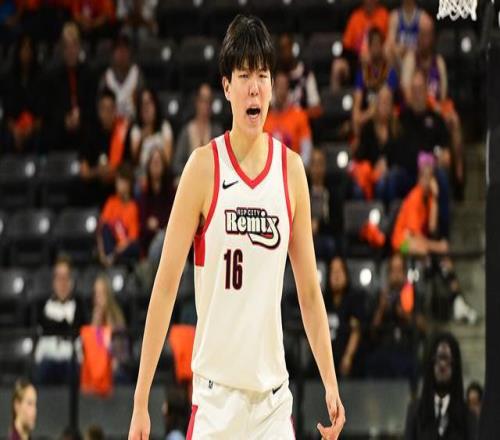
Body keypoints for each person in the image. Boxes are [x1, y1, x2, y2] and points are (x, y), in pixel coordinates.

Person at [128, 14, 345, 440]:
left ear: (272, 86)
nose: (254, 87)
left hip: (272, 403)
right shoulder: (202, 168)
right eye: (244, 75)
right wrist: (140, 400)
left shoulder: (291, 172)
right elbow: (165, 287)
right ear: (226, 86)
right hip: (215, 401)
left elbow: (309, 292)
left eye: (262, 75)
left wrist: (331, 382)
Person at [392, 153, 477, 324]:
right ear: (419, 178)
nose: (428, 181)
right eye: (425, 177)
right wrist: (438, 246)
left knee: (442, 259)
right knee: (428, 250)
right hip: (401, 244)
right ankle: (449, 300)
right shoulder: (414, 198)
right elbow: (415, 237)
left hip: (416, 241)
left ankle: (457, 300)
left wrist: (436, 198)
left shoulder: (429, 197)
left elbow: (432, 228)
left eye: (431, 177)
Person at [401, 19, 464, 191]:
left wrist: (437, 108)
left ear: (433, 37)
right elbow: (407, 93)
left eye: (428, 35)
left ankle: (458, 170)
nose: (425, 39)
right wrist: (426, 102)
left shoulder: (439, 62)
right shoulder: (411, 59)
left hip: (435, 110)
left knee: (454, 120)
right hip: (416, 109)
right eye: (422, 35)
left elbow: (443, 96)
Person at [404, 332, 478, 440]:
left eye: (447, 359)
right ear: (431, 363)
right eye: (439, 358)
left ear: (455, 365)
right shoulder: (415, 412)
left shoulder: (468, 417)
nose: (442, 365)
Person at [366, 253, 425, 384]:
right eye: (393, 270)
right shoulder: (380, 296)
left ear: (405, 272)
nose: (396, 275)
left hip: (406, 350)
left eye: (399, 270)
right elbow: (372, 331)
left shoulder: (413, 294)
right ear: (388, 274)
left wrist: (405, 314)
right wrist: (381, 308)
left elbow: (423, 327)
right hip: (384, 350)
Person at [45, 22, 96, 153]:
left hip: (84, 128)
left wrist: (80, 116)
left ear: (79, 47)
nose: (71, 51)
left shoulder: (89, 74)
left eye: (74, 45)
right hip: (60, 130)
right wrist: (65, 119)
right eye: (67, 46)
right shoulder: (53, 76)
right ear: (62, 49)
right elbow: (50, 107)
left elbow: (92, 105)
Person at [34, 255, 85, 384]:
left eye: (65, 277)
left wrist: (53, 325)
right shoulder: (44, 305)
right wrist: (63, 324)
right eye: (59, 278)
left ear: (71, 281)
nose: (62, 283)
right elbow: (43, 324)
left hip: (70, 362)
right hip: (47, 361)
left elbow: (75, 328)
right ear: (53, 281)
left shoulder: (79, 305)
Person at [79, 88, 128, 205]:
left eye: (110, 109)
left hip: (117, 191)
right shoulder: (90, 134)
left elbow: (129, 168)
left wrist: (112, 172)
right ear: (99, 111)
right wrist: (99, 171)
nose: (107, 114)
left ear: (115, 110)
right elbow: (84, 172)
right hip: (94, 192)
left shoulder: (122, 133)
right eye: (104, 109)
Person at [331, 0, 389, 92]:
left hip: (378, 59)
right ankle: (335, 98)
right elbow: (346, 47)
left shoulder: (383, 15)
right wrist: (359, 57)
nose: (369, 2)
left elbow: (388, 43)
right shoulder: (355, 17)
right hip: (356, 59)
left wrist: (373, 54)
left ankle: (376, 93)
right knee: (337, 65)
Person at [352, 27, 399, 136]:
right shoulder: (363, 73)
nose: (376, 47)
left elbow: (387, 102)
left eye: (378, 44)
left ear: (382, 46)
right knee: (355, 117)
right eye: (373, 44)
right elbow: (357, 101)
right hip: (367, 117)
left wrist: (369, 113)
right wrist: (357, 116)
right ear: (369, 47)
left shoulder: (390, 72)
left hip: (386, 116)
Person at [324, 256, 364, 378]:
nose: (336, 276)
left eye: (340, 271)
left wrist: (348, 357)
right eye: (333, 271)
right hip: (326, 360)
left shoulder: (353, 300)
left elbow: (356, 331)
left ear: (346, 274)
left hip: (347, 359)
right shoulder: (323, 301)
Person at [172, 83, 223, 179]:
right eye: (203, 100)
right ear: (196, 102)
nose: (206, 105)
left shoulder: (217, 130)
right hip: (190, 178)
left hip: (211, 178)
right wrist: (193, 171)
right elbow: (177, 164)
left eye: (209, 101)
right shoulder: (187, 130)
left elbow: (222, 161)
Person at [264, 70, 313, 167]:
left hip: (293, 170)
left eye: (283, 87)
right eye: (278, 87)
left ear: (288, 90)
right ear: (272, 90)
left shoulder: (299, 116)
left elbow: (306, 152)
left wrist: (295, 170)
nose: (280, 91)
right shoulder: (264, 120)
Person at [3, 34, 42, 155]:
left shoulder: (42, 78)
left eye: (29, 49)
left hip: (35, 127)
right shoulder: (8, 79)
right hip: (14, 128)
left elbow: (44, 111)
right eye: (23, 49)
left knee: (41, 138)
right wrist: (15, 130)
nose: (26, 53)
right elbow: (6, 112)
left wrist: (31, 128)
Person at [97, 163, 140, 267]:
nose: (117, 184)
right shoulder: (111, 202)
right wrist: (102, 254)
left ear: (128, 183)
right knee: (106, 228)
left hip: (123, 251)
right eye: (117, 181)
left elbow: (132, 238)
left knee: (135, 246)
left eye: (121, 181)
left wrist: (116, 253)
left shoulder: (133, 207)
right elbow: (100, 230)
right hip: (110, 247)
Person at [138, 147, 175, 263]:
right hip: (150, 244)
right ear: (148, 166)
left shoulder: (171, 192)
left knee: (164, 237)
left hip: (169, 241)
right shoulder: (144, 195)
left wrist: (157, 223)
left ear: (164, 165)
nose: (156, 165)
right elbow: (143, 226)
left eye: (158, 162)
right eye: (153, 162)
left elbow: (173, 220)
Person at [128, 87, 174, 176]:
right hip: (141, 178)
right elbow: (134, 163)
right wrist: (142, 139)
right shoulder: (136, 130)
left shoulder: (165, 127)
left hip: (161, 177)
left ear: (155, 104)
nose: (146, 108)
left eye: (149, 103)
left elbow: (167, 161)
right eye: (142, 104)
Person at [99, 33, 145, 120]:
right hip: (111, 124)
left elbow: (143, 103)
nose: (122, 54)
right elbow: (100, 106)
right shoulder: (106, 77)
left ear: (130, 53)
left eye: (125, 50)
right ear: (113, 54)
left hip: (133, 122)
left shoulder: (137, 74)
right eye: (118, 50)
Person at [276, 33, 321, 118]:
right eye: (281, 49)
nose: (284, 53)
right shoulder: (276, 76)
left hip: (300, 122)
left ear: (292, 47)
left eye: (286, 48)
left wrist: (296, 117)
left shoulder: (305, 74)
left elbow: (316, 109)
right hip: (280, 123)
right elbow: (269, 109)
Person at [309, 148, 336, 261]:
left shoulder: (332, 192)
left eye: (320, 163)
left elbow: (337, 223)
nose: (317, 168)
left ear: (325, 167)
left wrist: (319, 225)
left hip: (325, 235)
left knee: (330, 244)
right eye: (314, 164)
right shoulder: (302, 190)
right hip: (305, 235)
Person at [385, 0, 432, 65]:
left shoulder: (423, 18)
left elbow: (426, 47)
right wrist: (397, 49)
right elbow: (390, 42)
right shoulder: (394, 16)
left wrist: (410, 50)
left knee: (410, 58)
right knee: (387, 49)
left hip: (416, 59)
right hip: (399, 56)